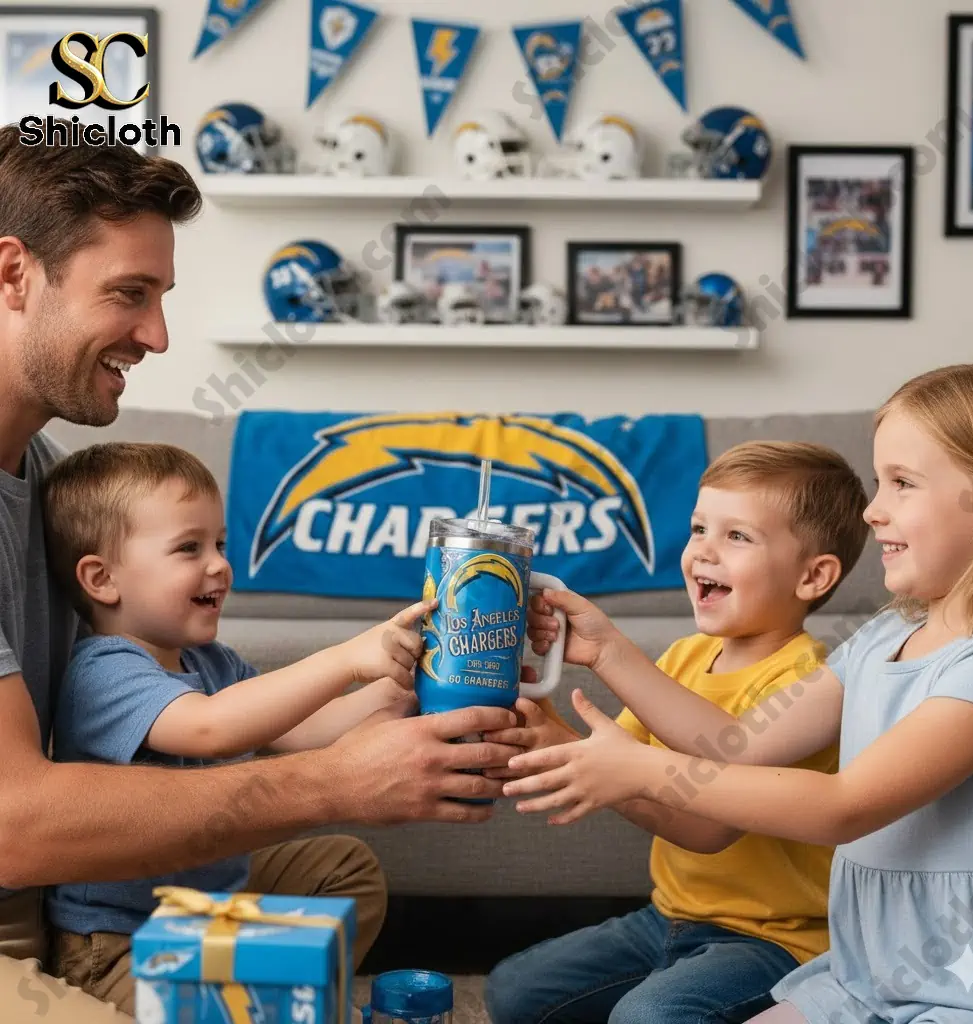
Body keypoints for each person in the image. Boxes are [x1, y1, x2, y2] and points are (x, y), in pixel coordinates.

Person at [0, 122, 518, 1024]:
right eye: (129, 294)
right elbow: (11, 821)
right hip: (34, 898)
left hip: (67, 887)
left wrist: (431, 676)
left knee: (333, 877)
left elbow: (262, 718)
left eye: (161, 296)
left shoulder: (45, 477)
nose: (157, 336)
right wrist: (341, 782)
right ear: (13, 273)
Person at [505, 359, 973, 1024]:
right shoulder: (879, 639)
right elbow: (737, 747)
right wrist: (608, 649)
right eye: (877, 482)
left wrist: (639, 767)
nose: (873, 510)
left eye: (903, 484)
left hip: (970, 984)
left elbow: (844, 807)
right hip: (864, 973)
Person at [40, 440, 437, 1016]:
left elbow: (304, 730)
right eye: (189, 547)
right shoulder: (102, 669)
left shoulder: (211, 662)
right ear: (102, 579)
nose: (220, 564)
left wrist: (407, 683)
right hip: (121, 943)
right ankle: (259, 996)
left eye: (220, 544)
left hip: (212, 906)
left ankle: (280, 990)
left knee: (345, 868)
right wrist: (348, 657)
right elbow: (208, 728)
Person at [484, 441, 870, 1024]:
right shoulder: (685, 656)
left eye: (737, 537)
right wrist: (557, 737)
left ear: (813, 576)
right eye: (698, 529)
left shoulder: (806, 683)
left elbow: (705, 825)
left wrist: (613, 655)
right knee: (512, 991)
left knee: (648, 1017)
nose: (703, 553)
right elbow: (627, 769)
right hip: (669, 917)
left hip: (776, 943)